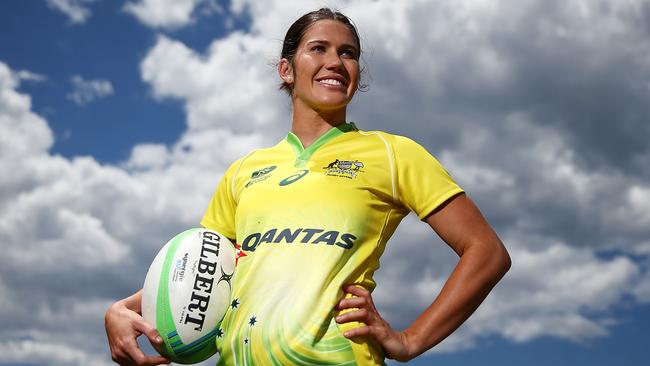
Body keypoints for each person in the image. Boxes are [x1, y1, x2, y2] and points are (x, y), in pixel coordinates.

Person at [105, 8, 511, 366]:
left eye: (347, 53)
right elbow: (204, 270)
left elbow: (486, 252)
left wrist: (409, 340)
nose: (335, 61)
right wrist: (123, 309)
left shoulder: (392, 153)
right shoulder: (244, 171)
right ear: (287, 70)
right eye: (318, 49)